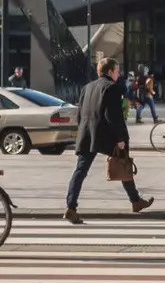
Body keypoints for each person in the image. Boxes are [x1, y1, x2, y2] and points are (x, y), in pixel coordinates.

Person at [66, 56, 154, 224]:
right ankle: (135, 201)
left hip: (86, 134)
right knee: (123, 163)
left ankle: (71, 207)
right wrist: (120, 138)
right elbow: (113, 116)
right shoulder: (111, 88)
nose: (119, 73)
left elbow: (80, 114)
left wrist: (82, 131)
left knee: (80, 171)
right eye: (117, 70)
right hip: (105, 135)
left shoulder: (87, 87)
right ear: (110, 71)